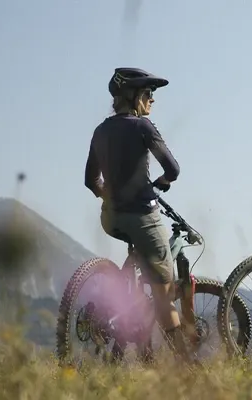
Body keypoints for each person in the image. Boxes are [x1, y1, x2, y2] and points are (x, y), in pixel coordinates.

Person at [83, 67, 192, 357]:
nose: (152, 99)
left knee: (140, 253)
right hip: (142, 216)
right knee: (164, 294)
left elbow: (91, 180)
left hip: (110, 217)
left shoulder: (100, 130)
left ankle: (131, 314)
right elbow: (173, 169)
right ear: (132, 96)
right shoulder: (142, 126)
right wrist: (163, 181)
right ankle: (186, 364)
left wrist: (111, 195)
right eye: (148, 93)